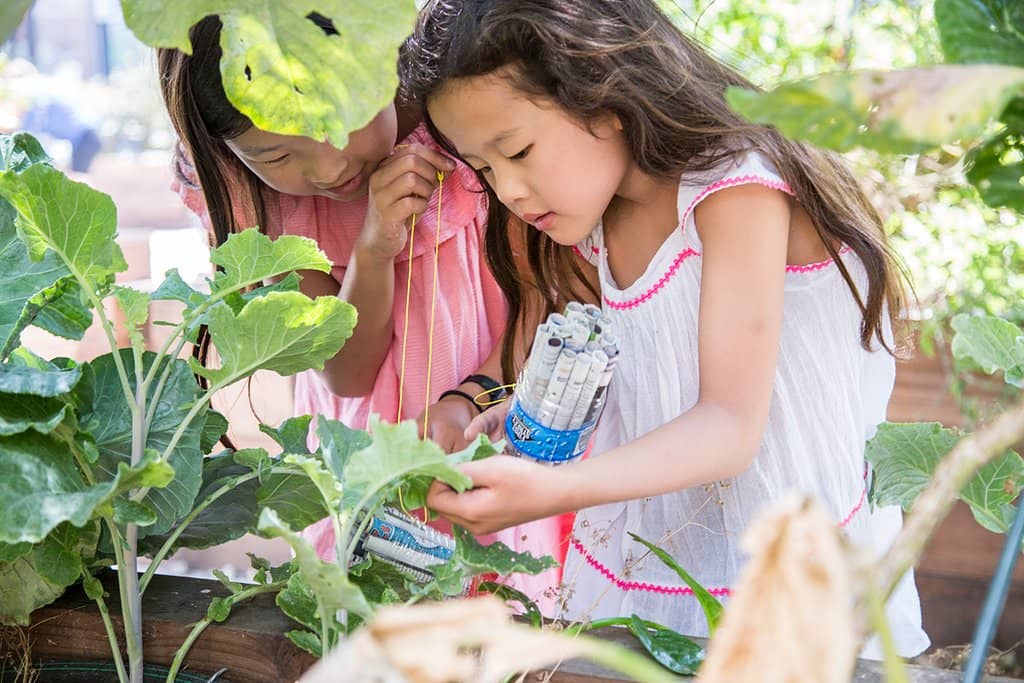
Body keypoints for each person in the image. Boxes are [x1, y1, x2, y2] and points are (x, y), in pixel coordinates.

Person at [404, 0, 929, 656]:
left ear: (606, 94)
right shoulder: (601, 214)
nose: (507, 189)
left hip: (788, 578)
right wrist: (519, 414)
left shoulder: (736, 183)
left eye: (518, 150)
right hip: (667, 567)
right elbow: (661, 369)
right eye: (484, 169)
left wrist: (553, 490)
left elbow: (730, 427)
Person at [157, 13, 566, 610]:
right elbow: (346, 374)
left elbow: (543, 296)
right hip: (364, 470)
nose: (329, 168)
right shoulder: (255, 198)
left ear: (382, 52)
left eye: (339, 120)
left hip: (502, 425)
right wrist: (374, 250)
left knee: (514, 613)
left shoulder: (460, 111)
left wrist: (468, 398)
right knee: (377, 623)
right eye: (275, 155)